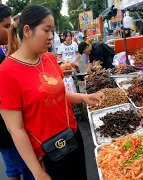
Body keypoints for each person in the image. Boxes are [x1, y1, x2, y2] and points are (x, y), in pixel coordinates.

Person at [0, 5, 105, 180]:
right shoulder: (6, 72)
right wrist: (37, 171)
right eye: (46, 30)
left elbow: (59, 94)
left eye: (52, 31)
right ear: (27, 30)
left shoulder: (49, 59)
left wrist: (85, 97)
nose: (51, 36)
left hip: (72, 138)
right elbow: (15, 129)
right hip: (47, 152)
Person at [0, 4, 35, 180]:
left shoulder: (2, 51)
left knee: (12, 170)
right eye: (6, 26)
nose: (10, 30)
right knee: (29, 171)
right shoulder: (4, 65)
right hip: (9, 134)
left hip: (6, 134)